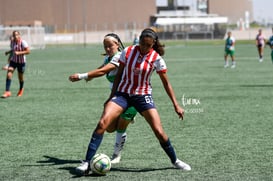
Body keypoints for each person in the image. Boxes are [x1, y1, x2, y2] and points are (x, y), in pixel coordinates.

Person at [75, 28, 191, 175]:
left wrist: (176, 105)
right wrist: (112, 96)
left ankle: (175, 161)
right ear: (139, 40)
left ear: (153, 44)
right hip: (123, 94)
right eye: (142, 44)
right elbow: (118, 75)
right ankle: (86, 163)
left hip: (142, 96)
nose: (144, 48)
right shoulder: (128, 52)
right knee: (103, 123)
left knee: (159, 131)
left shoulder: (157, 59)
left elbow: (166, 84)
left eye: (148, 46)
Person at [69, 33, 137, 164]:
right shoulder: (108, 58)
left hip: (131, 97)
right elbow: (101, 68)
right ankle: (126, 119)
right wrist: (90, 76)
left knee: (121, 126)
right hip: (117, 97)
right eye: (105, 46)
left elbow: (104, 71)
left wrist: (82, 76)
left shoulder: (119, 57)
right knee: (110, 128)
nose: (107, 49)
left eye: (110, 45)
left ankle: (116, 155)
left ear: (117, 44)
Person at [1, 30, 30, 98]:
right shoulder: (12, 42)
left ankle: (21, 89)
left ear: (19, 35)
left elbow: (28, 51)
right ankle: (7, 92)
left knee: (20, 77)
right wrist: (8, 52)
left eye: (17, 35)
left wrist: (19, 53)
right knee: (9, 74)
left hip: (21, 62)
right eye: (14, 35)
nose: (15, 36)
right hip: (13, 61)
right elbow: (13, 50)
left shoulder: (23, 42)